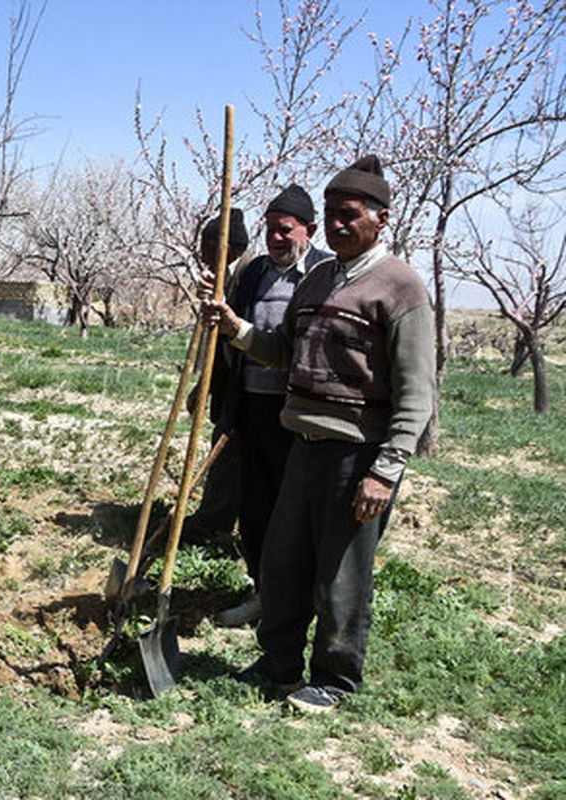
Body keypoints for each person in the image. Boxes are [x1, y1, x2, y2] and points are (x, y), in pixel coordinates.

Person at [202, 155, 435, 713]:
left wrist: (387, 470)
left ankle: (334, 677)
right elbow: (284, 353)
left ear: (381, 219)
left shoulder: (400, 288)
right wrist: (236, 330)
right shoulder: (318, 279)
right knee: (283, 564)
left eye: (348, 214)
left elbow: (416, 394)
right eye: (329, 214)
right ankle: (278, 662)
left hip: (357, 455)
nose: (336, 224)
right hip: (301, 446)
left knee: (341, 576)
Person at [207, 186, 333, 628]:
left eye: (286, 230)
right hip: (251, 409)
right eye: (270, 230)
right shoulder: (256, 271)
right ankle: (263, 592)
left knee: (294, 514)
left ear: (309, 230)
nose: (276, 239)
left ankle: (300, 602)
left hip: (296, 415)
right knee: (255, 509)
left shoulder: (324, 273)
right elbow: (231, 335)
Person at [178, 209, 253, 551]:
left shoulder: (251, 273)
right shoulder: (225, 275)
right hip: (227, 382)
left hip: (248, 386)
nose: (201, 255)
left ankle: (213, 523)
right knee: (227, 451)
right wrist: (201, 386)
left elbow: (238, 335)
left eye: (205, 247)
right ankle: (216, 518)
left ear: (221, 246)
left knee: (229, 453)